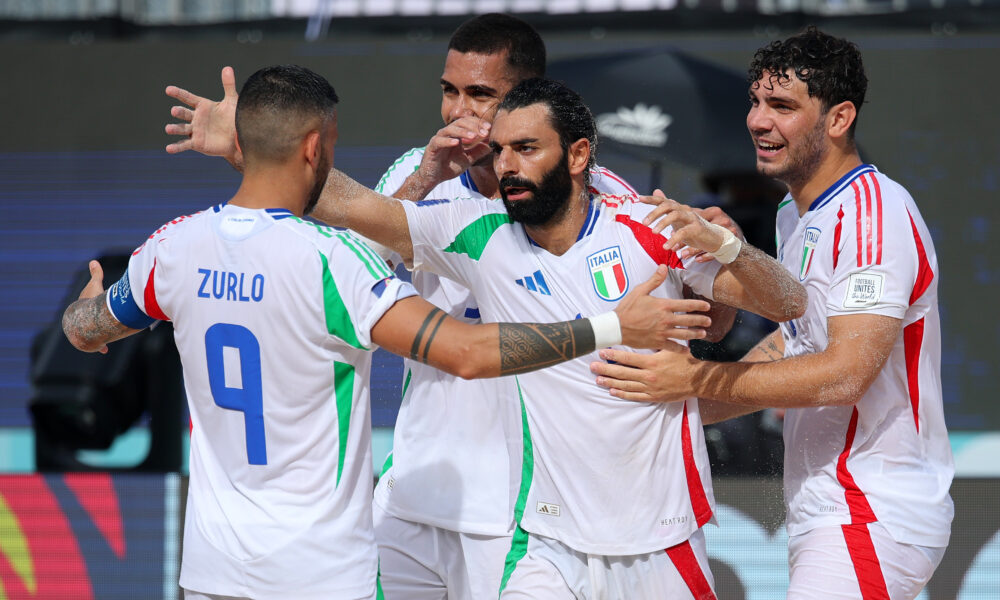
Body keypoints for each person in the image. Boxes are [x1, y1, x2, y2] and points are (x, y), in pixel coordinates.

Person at [61, 65, 700, 600]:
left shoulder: (172, 248)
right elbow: (469, 353)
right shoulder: (335, 262)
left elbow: (86, 330)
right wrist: (616, 324)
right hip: (319, 574)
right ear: (316, 147)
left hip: (210, 570)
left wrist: (89, 313)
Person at [306, 77, 806, 599]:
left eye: (525, 149)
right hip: (545, 544)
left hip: (663, 540)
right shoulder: (477, 232)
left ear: (577, 154)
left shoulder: (649, 229)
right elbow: (351, 205)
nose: (506, 167)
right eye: (500, 151)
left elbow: (790, 304)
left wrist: (730, 247)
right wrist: (256, 148)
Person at [591, 27, 954, 600]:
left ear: (838, 118)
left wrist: (692, 377)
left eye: (782, 106)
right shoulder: (795, 211)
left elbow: (844, 373)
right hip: (829, 507)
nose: (758, 122)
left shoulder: (872, 214)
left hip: (872, 509)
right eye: (755, 102)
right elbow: (792, 346)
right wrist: (667, 410)